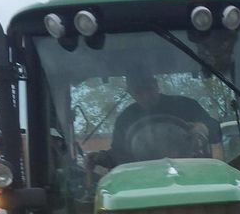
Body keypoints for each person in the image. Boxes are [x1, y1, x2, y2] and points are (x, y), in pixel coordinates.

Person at [89, 72, 223, 170]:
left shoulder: (186, 106)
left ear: (156, 86)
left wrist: (204, 127)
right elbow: (119, 155)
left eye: (148, 89)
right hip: (142, 180)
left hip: (192, 171)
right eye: (139, 92)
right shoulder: (126, 119)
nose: (146, 95)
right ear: (131, 93)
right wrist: (102, 158)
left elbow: (216, 131)